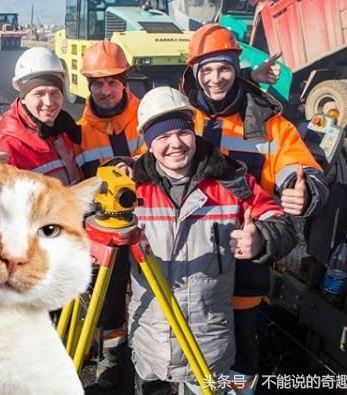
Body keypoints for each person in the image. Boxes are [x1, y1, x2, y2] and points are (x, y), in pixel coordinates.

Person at [180, 24, 329, 393]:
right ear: (195, 74)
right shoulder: (181, 119)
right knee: (186, 348)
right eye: (207, 70)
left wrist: (306, 191)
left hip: (245, 261)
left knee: (242, 355)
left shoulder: (270, 126)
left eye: (225, 68)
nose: (216, 79)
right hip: (187, 262)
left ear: (236, 69)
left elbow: (301, 168)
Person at [129, 87, 297, 395]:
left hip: (208, 347)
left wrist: (260, 239)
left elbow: (282, 225)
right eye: (163, 137)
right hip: (149, 345)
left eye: (183, 133)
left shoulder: (231, 182)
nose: (175, 144)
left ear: (194, 133)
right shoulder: (129, 187)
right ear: (148, 144)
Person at [74, 41, 148, 388]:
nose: (105, 90)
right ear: (88, 85)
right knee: (109, 299)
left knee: (153, 293)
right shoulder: (77, 132)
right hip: (104, 234)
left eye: (112, 82)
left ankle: (156, 356)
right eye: (98, 83)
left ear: (124, 83)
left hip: (152, 227)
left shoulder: (147, 119)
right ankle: (111, 358)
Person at [0, 47, 82, 186]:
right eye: (39, 93)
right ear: (23, 98)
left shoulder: (66, 130)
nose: (48, 103)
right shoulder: (8, 147)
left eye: (54, 93)